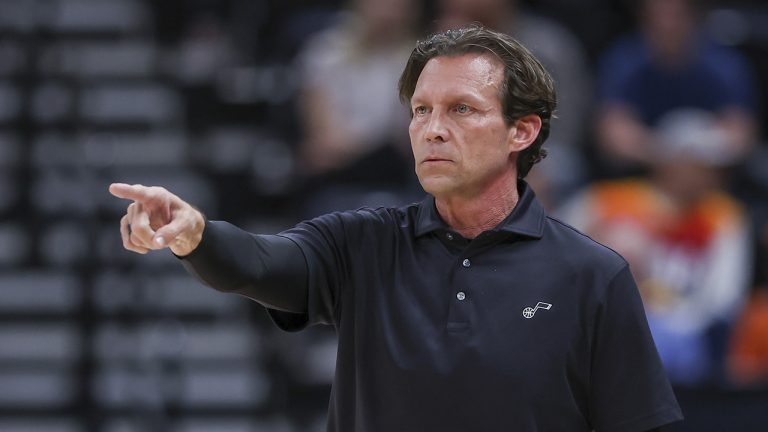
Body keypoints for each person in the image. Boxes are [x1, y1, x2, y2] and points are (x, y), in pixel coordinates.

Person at [110, 25, 682, 432]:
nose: (432, 129)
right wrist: (193, 234)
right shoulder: (361, 244)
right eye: (420, 110)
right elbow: (260, 264)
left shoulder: (592, 276)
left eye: (460, 109)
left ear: (522, 132)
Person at [558, 109, 753, 386]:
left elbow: (725, 294)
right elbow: (556, 252)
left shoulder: (723, 214)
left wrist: (676, 320)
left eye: (715, 167)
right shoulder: (607, 200)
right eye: (701, 164)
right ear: (671, 161)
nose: (712, 175)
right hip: (603, 320)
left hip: (684, 335)